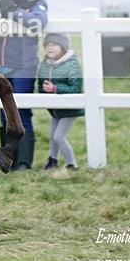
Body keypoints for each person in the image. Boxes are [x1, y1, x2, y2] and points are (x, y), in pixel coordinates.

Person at [0, 0, 49, 170]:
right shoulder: (6, 3)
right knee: (4, 113)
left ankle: (23, 162)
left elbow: (37, 22)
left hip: (24, 66)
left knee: (21, 111)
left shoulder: (37, 3)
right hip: (4, 65)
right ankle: (8, 161)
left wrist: (13, 13)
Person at [37, 33, 84, 171]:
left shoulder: (72, 64)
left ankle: (72, 164)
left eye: (54, 45)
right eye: (47, 45)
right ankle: (53, 161)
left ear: (63, 47)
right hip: (55, 109)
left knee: (58, 137)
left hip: (70, 109)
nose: (50, 48)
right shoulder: (45, 64)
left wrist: (55, 89)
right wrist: (44, 92)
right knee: (52, 136)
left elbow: (75, 88)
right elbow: (40, 85)